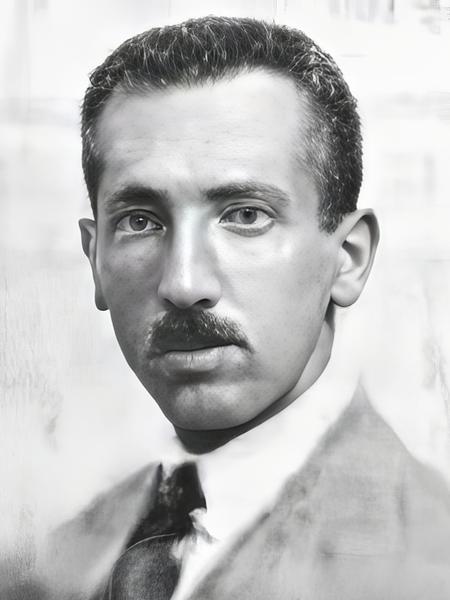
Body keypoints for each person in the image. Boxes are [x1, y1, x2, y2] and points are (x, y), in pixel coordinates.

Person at [38, 15, 450, 600]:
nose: (184, 283)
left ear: (348, 259)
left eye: (246, 215)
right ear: (95, 258)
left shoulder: (429, 565)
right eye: (140, 221)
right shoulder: (62, 557)